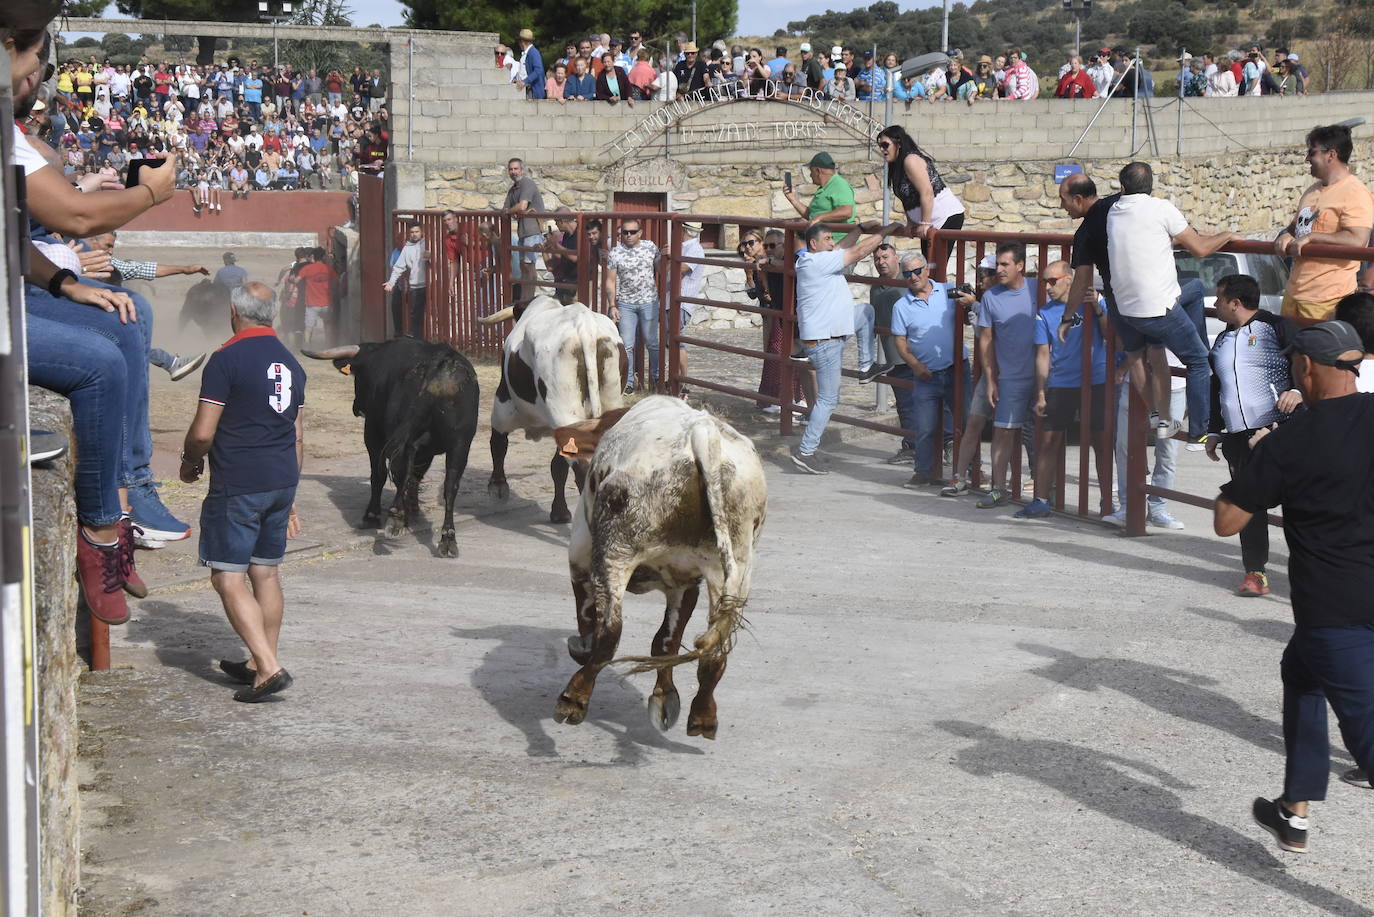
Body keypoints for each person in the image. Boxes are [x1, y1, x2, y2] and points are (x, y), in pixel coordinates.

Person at [1213, 320, 1374, 855]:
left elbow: (1228, 522)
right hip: (1349, 608)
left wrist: (1254, 457)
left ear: (1305, 368)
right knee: (1299, 674)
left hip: (1335, 610)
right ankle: (1295, 810)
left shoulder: (1291, 441)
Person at [180, 281, 304, 703]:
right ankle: (258, 661)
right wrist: (292, 497)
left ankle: (268, 668)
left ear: (235, 311)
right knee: (265, 573)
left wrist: (190, 460)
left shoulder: (225, 359)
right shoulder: (291, 363)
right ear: (273, 314)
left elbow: (202, 432)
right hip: (282, 479)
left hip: (239, 483)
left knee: (227, 577)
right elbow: (298, 436)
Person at [1098, 162, 1237, 447]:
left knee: (1194, 289)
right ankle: (1198, 433)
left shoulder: (1113, 212)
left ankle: (1159, 417)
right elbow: (1199, 248)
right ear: (1151, 187)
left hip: (1126, 309)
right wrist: (1227, 235)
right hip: (1157, 309)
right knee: (1199, 361)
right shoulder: (1161, 209)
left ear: (1122, 188)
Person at [1205, 273, 1298, 595]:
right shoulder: (1221, 341)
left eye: (1218, 300)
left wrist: (1298, 391)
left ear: (1235, 303)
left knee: (1298, 506)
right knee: (1249, 506)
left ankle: (1307, 571)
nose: (1215, 306)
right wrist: (1214, 431)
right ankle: (1255, 573)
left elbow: (1304, 359)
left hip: (1279, 430)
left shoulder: (1276, 326)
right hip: (1237, 437)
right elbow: (1217, 387)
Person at [790, 221, 888, 474]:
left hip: (834, 330)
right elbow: (857, 252)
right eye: (828, 239)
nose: (833, 243)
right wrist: (884, 232)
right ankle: (805, 451)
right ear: (814, 244)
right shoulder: (816, 263)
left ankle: (866, 365)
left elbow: (845, 246)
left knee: (865, 312)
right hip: (825, 342)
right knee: (828, 399)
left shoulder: (818, 258)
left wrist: (858, 227)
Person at [1017, 261, 1110, 519]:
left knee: (1101, 444)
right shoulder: (1045, 313)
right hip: (1062, 383)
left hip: (1096, 381)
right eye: (1044, 281)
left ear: (1069, 279)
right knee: (1048, 443)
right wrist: (1041, 392)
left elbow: (1110, 337)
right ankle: (1041, 499)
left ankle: (1106, 503)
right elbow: (1042, 354)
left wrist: (1098, 308)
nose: (1047, 287)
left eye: (1052, 280)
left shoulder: (1093, 303)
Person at [1275, 124, 1374, 321]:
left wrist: (1311, 238)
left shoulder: (1355, 193)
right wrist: (1287, 234)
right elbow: (1297, 229)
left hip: (1327, 300)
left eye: (1312, 152)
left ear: (1331, 155)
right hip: (1293, 294)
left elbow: (1357, 239)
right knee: (1286, 351)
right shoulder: (1312, 191)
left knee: (1315, 352)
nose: (1307, 159)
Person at [889, 250, 970, 488]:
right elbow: (900, 342)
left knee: (967, 421)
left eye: (916, 271)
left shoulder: (949, 291)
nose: (913, 277)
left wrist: (971, 301)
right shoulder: (901, 306)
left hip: (957, 368)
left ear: (926, 270)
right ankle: (923, 471)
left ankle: (974, 471)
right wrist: (915, 366)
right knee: (924, 427)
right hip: (926, 373)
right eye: (907, 274)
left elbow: (970, 315)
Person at [972, 242, 1038, 508]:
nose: (998, 270)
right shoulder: (990, 298)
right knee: (1003, 433)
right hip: (1010, 377)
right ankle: (999, 488)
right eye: (997, 264)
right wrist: (990, 379)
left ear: (1020, 266)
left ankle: (1047, 490)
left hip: (1044, 376)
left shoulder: (1037, 289)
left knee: (1045, 434)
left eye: (1004, 264)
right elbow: (985, 341)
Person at [877, 124, 965, 258]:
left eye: (885, 145)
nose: (882, 149)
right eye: (880, 146)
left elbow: (927, 192)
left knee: (934, 267)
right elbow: (906, 198)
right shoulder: (897, 166)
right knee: (930, 268)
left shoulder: (910, 160)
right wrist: (911, 223)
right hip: (929, 221)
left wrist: (925, 223)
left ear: (898, 143)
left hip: (944, 217)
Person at [605, 217, 661, 394]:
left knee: (652, 343)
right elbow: (610, 280)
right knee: (627, 344)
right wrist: (612, 305)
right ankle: (628, 382)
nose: (628, 236)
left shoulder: (650, 247)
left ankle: (657, 378)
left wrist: (666, 256)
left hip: (649, 301)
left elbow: (660, 268)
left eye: (632, 232)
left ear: (640, 233)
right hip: (625, 304)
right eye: (624, 232)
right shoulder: (615, 251)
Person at [503, 157, 546, 303]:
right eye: (511, 169)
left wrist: (512, 211)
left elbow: (521, 206)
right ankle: (525, 298)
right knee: (523, 266)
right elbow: (505, 209)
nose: (513, 172)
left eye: (516, 168)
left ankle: (529, 299)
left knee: (529, 265)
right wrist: (512, 211)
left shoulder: (527, 183)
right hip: (523, 231)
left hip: (532, 230)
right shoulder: (513, 189)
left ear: (522, 170)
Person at [676, 221, 706, 398]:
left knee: (677, 340)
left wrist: (669, 256)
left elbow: (681, 268)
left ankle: (683, 382)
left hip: (682, 302)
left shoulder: (694, 248)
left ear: (683, 229)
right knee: (672, 340)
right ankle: (678, 380)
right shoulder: (683, 247)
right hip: (675, 300)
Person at [384, 222, 428, 338]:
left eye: (417, 232)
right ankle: (419, 341)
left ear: (422, 232)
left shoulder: (428, 245)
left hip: (430, 285)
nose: (414, 234)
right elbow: (398, 267)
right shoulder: (407, 249)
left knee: (429, 316)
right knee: (416, 317)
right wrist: (391, 282)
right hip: (415, 287)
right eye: (412, 232)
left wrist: (430, 257)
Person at [295, 247, 337, 348]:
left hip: (311, 303)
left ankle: (307, 346)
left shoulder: (307, 268)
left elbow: (296, 280)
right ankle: (328, 345)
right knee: (327, 325)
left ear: (313, 256)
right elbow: (337, 281)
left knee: (309, 328)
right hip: (327, 302)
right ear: (323, 257)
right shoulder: (328, 269)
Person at [516, 28, 545, 99]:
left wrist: (525, 81)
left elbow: (538, 70)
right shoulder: (526, 53)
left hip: (532, 91)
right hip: (526, 90)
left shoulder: (533, 53)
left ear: (522, 41)